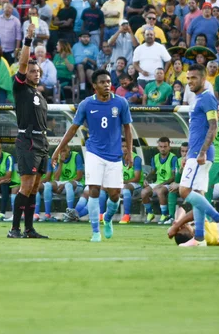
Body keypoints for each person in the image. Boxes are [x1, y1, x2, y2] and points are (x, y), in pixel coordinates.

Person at [52, 69, 133, 242]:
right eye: (103, 82)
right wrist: (58, 149)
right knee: (93, 190)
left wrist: (130, 153)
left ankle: (108, 218)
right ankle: (95, 231)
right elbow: (73, 128)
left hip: (115, 155)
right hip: (94, 153)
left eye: (109, 82)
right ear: (94, 86)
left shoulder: (121, 103)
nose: (107, 85)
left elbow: (127, 128)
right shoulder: (86, 104)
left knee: (115, 195)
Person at [177, 64, 219, 247]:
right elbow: (197, 128)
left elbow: (213, 126)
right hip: (195, 151)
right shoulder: (198, 99)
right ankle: (199, 238)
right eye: (188, 78)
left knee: (184, 191)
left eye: (193, 78)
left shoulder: (207, 97)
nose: (190, 81)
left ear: (203, 79)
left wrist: (201, 152)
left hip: (201, 152)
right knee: (198, 193)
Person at [8, 24, 48, 239]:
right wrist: (27, 41)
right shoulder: (21, 88)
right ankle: (14, 229)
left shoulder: (38, 94)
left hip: (42, 143)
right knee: (25, 186)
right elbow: (23, 63)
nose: (36, 73)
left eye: (38, 71)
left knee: (34, 189)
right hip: (28, 141)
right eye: (33, 71)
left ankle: (30, 229)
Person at [140, 137, 178, 224]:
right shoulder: (155, 158)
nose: (163, 149)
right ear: (158, 147)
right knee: (143, 192)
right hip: (158, 183)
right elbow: (153, 171)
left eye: (165, 146)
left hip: (169, 184)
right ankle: (150, 213)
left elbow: (173, 177)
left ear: (169, 147)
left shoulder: (173, 158)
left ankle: (164, 214)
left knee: (160, 191)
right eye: (161, 146)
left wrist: (161, 184)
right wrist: (146, 179)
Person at [48, 144, 84, 219]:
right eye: (61, 151)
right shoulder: (57, 158)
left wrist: (64, 184)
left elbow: (79, 176)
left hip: (77, 183)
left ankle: (70, 212)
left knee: (68, 185)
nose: (63, 153)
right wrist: (61, 163)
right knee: (48, 185)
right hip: (63, 183)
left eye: (64, 150)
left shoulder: (76, 156)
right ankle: (47, 214)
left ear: (69, 149)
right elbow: (56, 178)